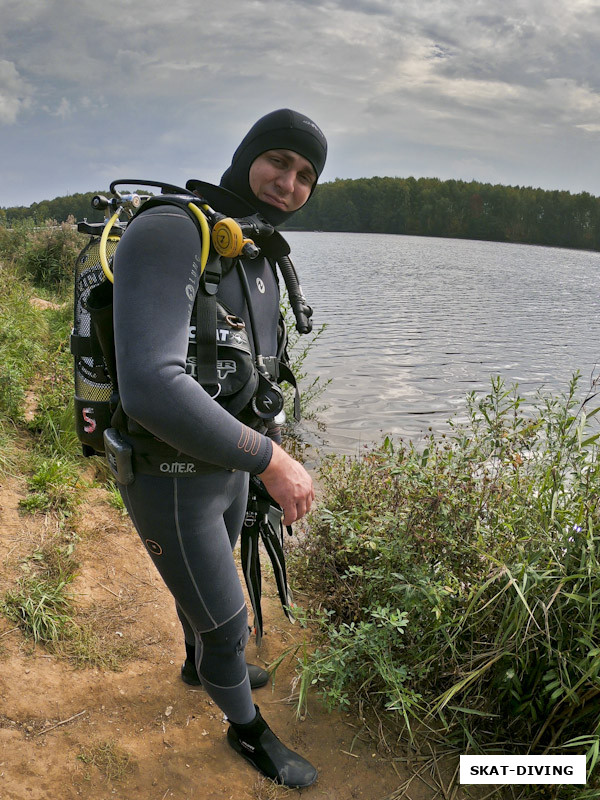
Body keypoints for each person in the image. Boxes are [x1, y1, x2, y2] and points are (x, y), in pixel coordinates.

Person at [110, 109, 327, 788]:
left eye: (305, 176)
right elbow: (150, 385)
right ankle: (248, 732)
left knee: (205, 599)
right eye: (278, 161)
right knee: (229, 622)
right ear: (247, 155)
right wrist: (273, 461)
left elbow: (260, 373)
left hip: (227, 467)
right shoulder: (175, 229)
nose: (287, 183)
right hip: (170, 472)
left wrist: (270, 445)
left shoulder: (255, 251)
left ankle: (194, 662)